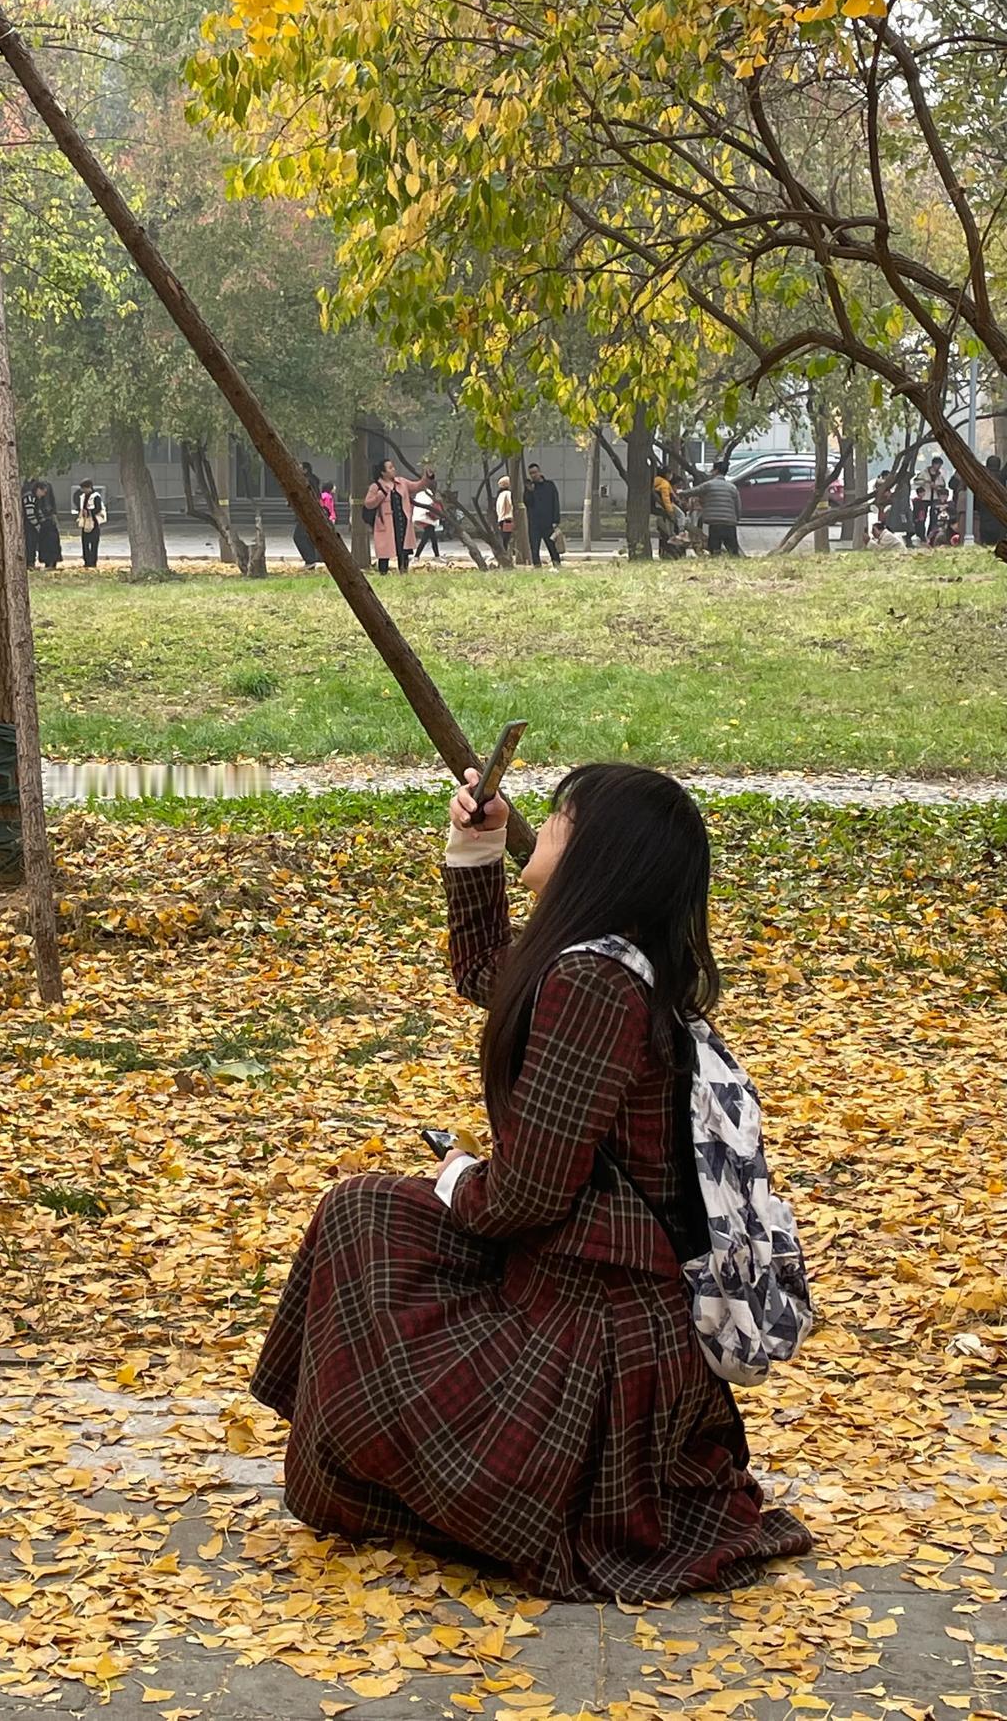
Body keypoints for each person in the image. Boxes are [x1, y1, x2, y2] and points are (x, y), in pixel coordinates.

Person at [253, 762, 812, 1601]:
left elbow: (526, 1198)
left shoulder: (596, 985)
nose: (541, 829)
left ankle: (401, 1483)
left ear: (598, 854)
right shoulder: (605, 965)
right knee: (369, 1211)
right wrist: (473, 852)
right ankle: (376, 1476)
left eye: (559, 819)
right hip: (584, 1285)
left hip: (598, 1326)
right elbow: (495, 978)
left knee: (368, 1218)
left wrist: (457, 1177)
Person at [363, 459, 415, 575]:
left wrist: (428, 478)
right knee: (384, 551)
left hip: (401, 521)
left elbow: (417, 486)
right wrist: (381, 495)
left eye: (393, 467)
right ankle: (383, 573)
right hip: (385, 524)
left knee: (404, 548)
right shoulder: (376, 486)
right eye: (390, 468)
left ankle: (404, 571)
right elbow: (368, 504)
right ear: (383, 472)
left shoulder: (401, 483)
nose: (394, 469)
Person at [692, 461, 743, 556]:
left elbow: (694, 491)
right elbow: (738, 506)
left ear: (716, 471)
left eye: (712, 470)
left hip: (714, 523)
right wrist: (736, 519)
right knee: (732, 550)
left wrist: (679, 493)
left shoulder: (709, 485)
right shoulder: (732, 487)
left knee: (715, 549)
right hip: (729, 523)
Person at [525, 462, 562, 567]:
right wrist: (530, 492)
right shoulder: (530, 488)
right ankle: (536, 565)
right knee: (534, 547)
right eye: (531, 473)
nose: (533, 475)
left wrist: (556, 520)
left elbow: (555, 503)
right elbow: (527, 503)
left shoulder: (549, 485)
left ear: (540, 472)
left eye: (535, 472)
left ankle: (556, 563)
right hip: (534, 523)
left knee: (552, 546)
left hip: (548, 522)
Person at [412, 465, 443, 561]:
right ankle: (417, 557)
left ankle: (436, 556)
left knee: (431, 537)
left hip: (426, 517)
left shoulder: (425, 491)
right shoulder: (425, 492)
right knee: (426, 537)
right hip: (426, 517)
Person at [294, 463, 322, 569]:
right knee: (307, 537)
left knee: (299, 536)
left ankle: (310, 560)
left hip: (307, 513)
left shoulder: (307, 482)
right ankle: (311, 560)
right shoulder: (312, 480)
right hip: (309, 513)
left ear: (305, 470)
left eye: (300, 468)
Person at [979, 453, 1006, 547]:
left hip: (984, 507)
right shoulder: (1001, 476)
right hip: (999, 507)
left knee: (985, 534)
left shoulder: (982, 476)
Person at [77, 479, 105, 568]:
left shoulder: (96, 496)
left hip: (94, 522)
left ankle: (93, 561)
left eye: (84, 488)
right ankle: (86, 561)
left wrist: (89, 511)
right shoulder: (82, 497)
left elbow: (98, 509)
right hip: (85, 521)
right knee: (85, 542)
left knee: (94, 543)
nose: (83, 491)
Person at [34, 481, 62, 570]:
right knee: (50, 542)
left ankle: (49, 562)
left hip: (46, 521)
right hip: (47, 521)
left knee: (48, 542)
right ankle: (51, 562)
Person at [21, 477, 40, 568]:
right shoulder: (30, 497)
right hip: (29, 525)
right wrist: (37, 526)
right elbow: (30, 514)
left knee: (30, 544)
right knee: (30, 544)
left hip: (27, 524)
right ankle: (30, 562)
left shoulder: (27, 495)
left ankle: (30, 562)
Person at [495, 473, 515, 543]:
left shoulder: (500, 494)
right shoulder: (508, 494)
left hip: (501, 519)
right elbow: (511, 504)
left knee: (504, 538)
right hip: (508, 519)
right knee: (508, 538)